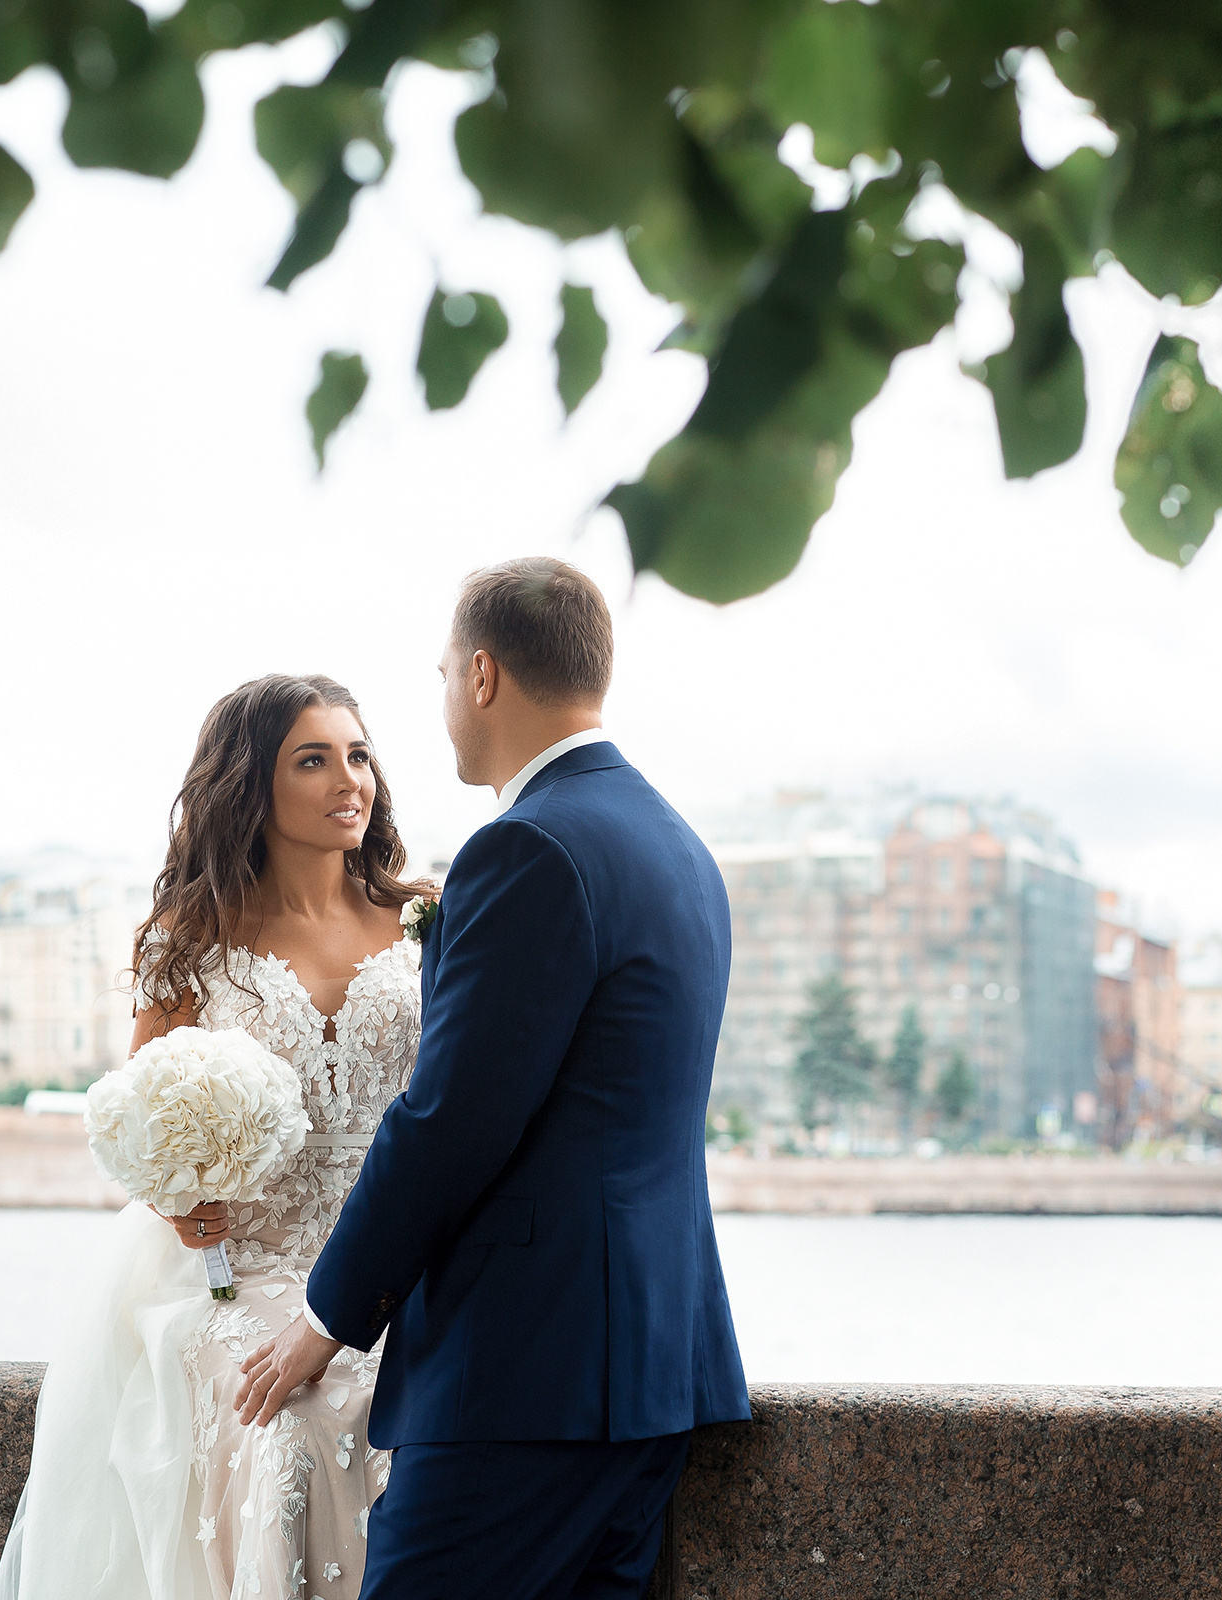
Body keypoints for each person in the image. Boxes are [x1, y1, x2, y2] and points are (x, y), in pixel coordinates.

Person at [231, 557, 750, 1599]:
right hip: (652, 1370)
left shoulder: (528, 848)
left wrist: (328, 1317)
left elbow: (452, 1121)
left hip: (525, 1382)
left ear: (480, 676)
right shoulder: (678, 846)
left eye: (438, 679)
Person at [0, 673, 430, 1600]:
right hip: (245, 1269)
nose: (350, 779)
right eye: (313, 760)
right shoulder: (191, 940)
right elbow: (141, 1114)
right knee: (300, 1423)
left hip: (401, 1262)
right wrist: (181, 1200)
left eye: (358, 755)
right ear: (250, 786)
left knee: (409, 1413)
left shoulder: (425, 919)